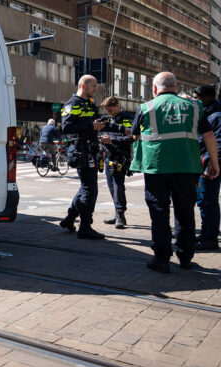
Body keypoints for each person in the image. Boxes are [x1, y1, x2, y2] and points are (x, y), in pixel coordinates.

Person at [131, 72, 219, 273]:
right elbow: (208, 135)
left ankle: (161, 259)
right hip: (187, 167)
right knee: (185, 211)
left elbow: (135, 136)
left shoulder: (146, 107)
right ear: (176, 87)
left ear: (154, 89)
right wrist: (214, 163)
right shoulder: (195, 107)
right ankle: (185, 257)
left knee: (159, 213)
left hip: (157, 167)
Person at [59, 75, 124, 239]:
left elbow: (99, 123)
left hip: (90, 150)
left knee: (85, 187)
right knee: (90, 189)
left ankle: (70, 218)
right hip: (81, 151)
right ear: (83, 85)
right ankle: (85, 227)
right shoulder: (73, 103)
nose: (95, 88)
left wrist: (123, 129)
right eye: (93, 85)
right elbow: (66, 126)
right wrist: (90, 126)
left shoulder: (89, 104)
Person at [192, 84, 221, 251]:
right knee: (204, 200)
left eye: (196, 98)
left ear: (206, 98)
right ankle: (206, 233)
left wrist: (210, 162)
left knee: (208, 200)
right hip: (203, 162)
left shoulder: (216, 115)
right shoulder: (207, 113)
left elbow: (218, 141)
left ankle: (210, 238)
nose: (194, 100)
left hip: (208, 165)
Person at [100, 97, 133, 229]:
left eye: (111, 110)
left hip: (120, 156)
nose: (109, 113)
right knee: (112, 187)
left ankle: (120, 215)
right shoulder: (108, 119)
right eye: (107, 110)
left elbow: (131, 137)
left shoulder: (127, 118)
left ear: (118, 105)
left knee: (118, 186)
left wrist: (111, 141)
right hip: (109, 155)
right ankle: (117, 213)